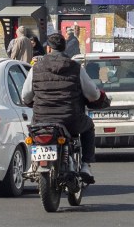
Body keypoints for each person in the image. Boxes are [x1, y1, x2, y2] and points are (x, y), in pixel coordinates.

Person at [21, 33, 105, 184]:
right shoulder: (76, 68)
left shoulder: (36, 68)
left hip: (41, 119)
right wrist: (99, 98)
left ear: (48, 48)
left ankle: (33, 163)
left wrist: (34, 102)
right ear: (64, 48)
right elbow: (92, 94)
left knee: (34, 135)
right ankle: (86, 165)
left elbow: (26, 96)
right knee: (89, 126)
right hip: (70, 120)